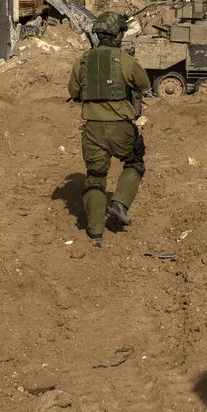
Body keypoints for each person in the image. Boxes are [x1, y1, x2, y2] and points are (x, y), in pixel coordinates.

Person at [67, 12, 150, 247]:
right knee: (134, 163)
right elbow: (143, 84)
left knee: (95, 177)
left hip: (92, 130)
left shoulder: (82, 61)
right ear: (118, 35)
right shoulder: (124, 60)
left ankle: (95, 231)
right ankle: (119, 204)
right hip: (120, 128)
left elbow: (73, 93)